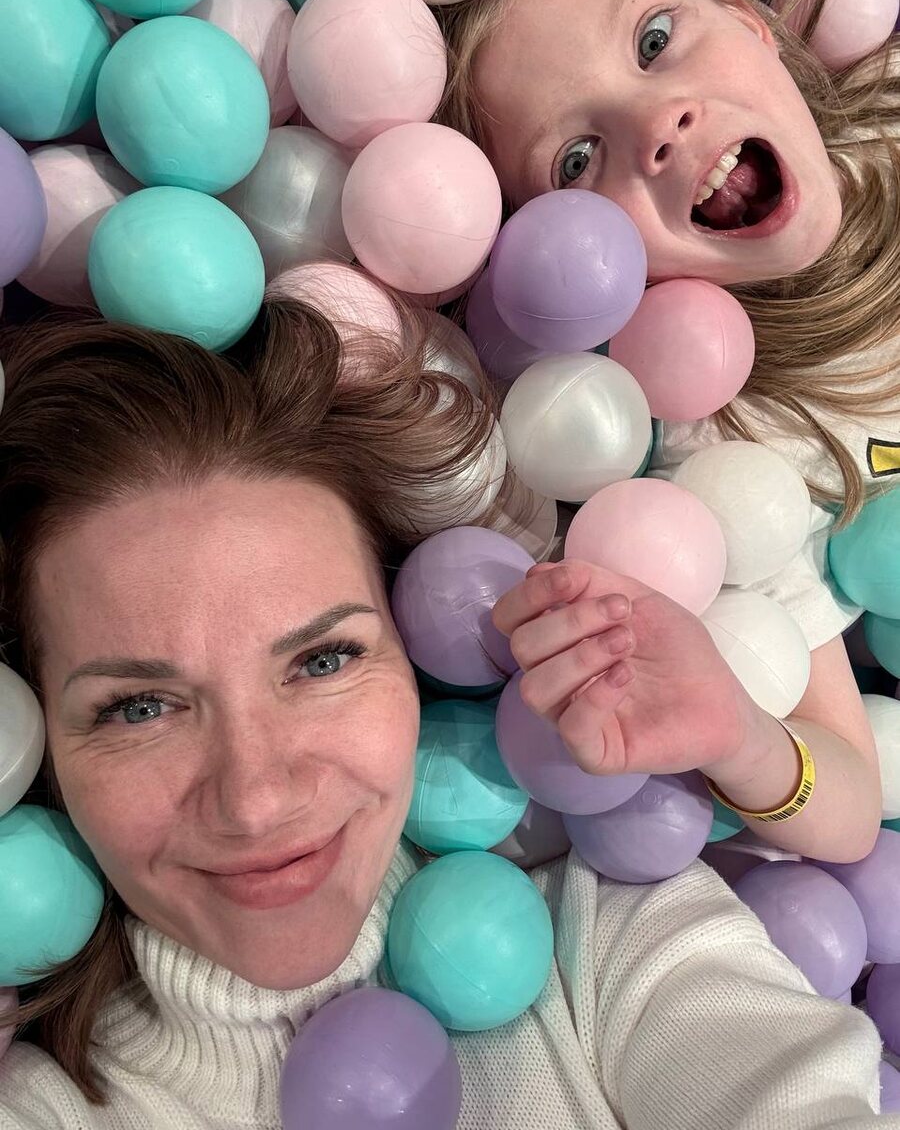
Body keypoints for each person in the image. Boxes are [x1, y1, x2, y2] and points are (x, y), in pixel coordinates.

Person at [0, 295, 895, 1130]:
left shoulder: (604, 940)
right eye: (139, 708)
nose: (256, 800)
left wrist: (742, 734)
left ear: (414, 648)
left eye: (322, 661)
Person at [435, 0, 900, 865]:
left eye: (655, 39)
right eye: (577, 160)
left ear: (747, 19)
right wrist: (740, 735)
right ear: (575, 266)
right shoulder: (733, 461)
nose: (657, 126)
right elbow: (851, 806)